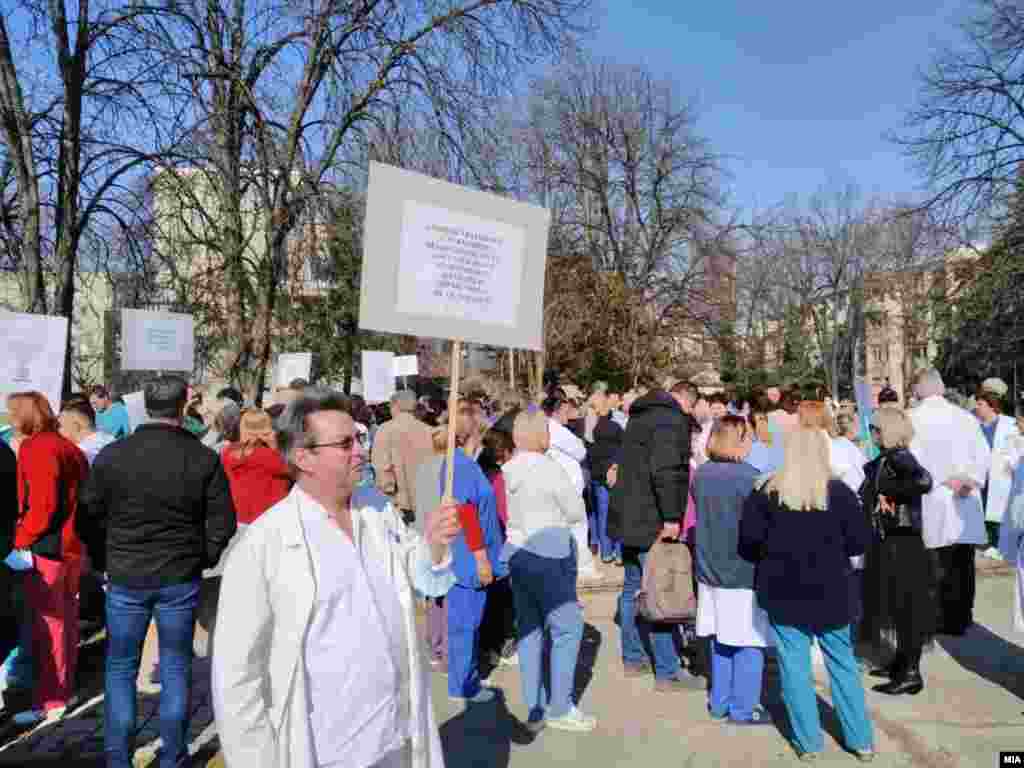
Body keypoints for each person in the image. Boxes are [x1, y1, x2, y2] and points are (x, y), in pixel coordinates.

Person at [212, 389, 461, 768]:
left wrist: (435, 544)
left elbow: (423, 576)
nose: (360, 450)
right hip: (327, 748)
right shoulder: (264, 545)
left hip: (396, 732)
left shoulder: (378, 511)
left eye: (358, 439)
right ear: (303, 457)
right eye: (345, 443)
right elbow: (236, 676)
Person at [77, 375, 237, 768]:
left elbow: (87, 517)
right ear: (183, 405)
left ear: (146, 406)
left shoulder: (116, 454)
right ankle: (171, 755)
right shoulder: (201, 457)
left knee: (122, 666)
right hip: (173, 575)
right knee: (174, 665)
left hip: (131, 574)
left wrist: (104, 561)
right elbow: (223, 523)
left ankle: (119, 757)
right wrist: (200, 557)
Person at [739, 428, 874, 762]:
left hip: (783, 590)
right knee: (842, 665)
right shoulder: (840, 493)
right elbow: (859, 544)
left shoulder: (766, 493)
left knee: (794, 667)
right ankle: (861, 740)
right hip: (832, 590)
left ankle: (808, 742)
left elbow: (747, 545)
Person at [501, 408, 594, 732]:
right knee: (567, 629)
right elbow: (574, 510)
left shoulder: (508, 469)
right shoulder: (550, 469)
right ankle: (560, 707)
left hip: (517, 554)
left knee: (529, 631)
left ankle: (535, 705)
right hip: (550, 554)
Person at [608, 382, 701, 691]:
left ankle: (633, 656)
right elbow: (668, 472)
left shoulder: (640, 415)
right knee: (661, 592)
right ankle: (667, 671)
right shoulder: (670, 419)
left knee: (633, 586)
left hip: (629, 516)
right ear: (686, 401)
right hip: (652, 518)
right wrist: (672, 516)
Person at [6, 392, 90, 726]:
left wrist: (19, 540)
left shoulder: (37, 447)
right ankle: (61, 693)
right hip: (70, 547)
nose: (10, 419)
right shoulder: (67, 446)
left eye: (13, 413)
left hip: (47, 549)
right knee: (64, 625)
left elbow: (42, 505)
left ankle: (52, 699)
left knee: (49, 628)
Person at [693, 416, 771, 725]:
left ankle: (719, 702)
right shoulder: (750, 478)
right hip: (741, 569)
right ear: (737, 440)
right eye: (748, 437)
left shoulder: (702, 474)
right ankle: (743, 708)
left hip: (709, 567)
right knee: (750, 641)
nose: (752, 443)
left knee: (721, 639)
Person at [908, 368, 989, 637]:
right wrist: (969, 480)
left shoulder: (913, 418)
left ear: (920, 389)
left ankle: (939, 617)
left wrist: (943, 478)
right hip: (965, 496)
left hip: (935, 496)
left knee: (936, 563)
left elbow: (913, 461)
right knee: (963, 562)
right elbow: (983, 455)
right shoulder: (966, 418)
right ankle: (962, 617)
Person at [859, 407, 934, 696]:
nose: (872, 434)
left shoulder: (901, 457)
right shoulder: (889, 457)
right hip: (891, 540)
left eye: (876, 429)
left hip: (902, 542)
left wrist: (889, 492)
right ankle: (901, 663)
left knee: (906, 608)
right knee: (897, 605)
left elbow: (923, 482)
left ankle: (911, 672)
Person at [372, 391, 436, 526]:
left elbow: (383, 469)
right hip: (430, 504)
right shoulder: (430, 431)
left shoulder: (384, 430)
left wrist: (389, 501)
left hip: (401, 509)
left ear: (395, 406)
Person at [221, 409, 291, 529]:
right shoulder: (267, 455)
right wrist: (275, 445)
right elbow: (292, 470)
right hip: (267, 519)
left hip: (238, 518)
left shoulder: (228, 452)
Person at [974, 380, 1019, 560]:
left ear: (992, 405)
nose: (977, 408)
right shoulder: (975, 426)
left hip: (1002, 476)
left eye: (980, 404)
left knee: (1000, 510)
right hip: (981, 477)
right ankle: (991, 543)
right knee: (985, 509)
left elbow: (1016, 449)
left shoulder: (1009, 424)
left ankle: (999, 544)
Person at [588, 390, 624, 565]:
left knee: (602, 514)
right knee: (616, 514)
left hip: (597, 475)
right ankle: (619, 553)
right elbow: (624, 449)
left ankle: (606, 552)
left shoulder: (589, 429)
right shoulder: (615, 427)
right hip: (613, 474)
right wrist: (615, 466)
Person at [58, 398, 115, 465]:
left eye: (60, 425)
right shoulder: (112, 440)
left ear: (76, 426)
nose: (58, 430)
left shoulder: (78, 454)